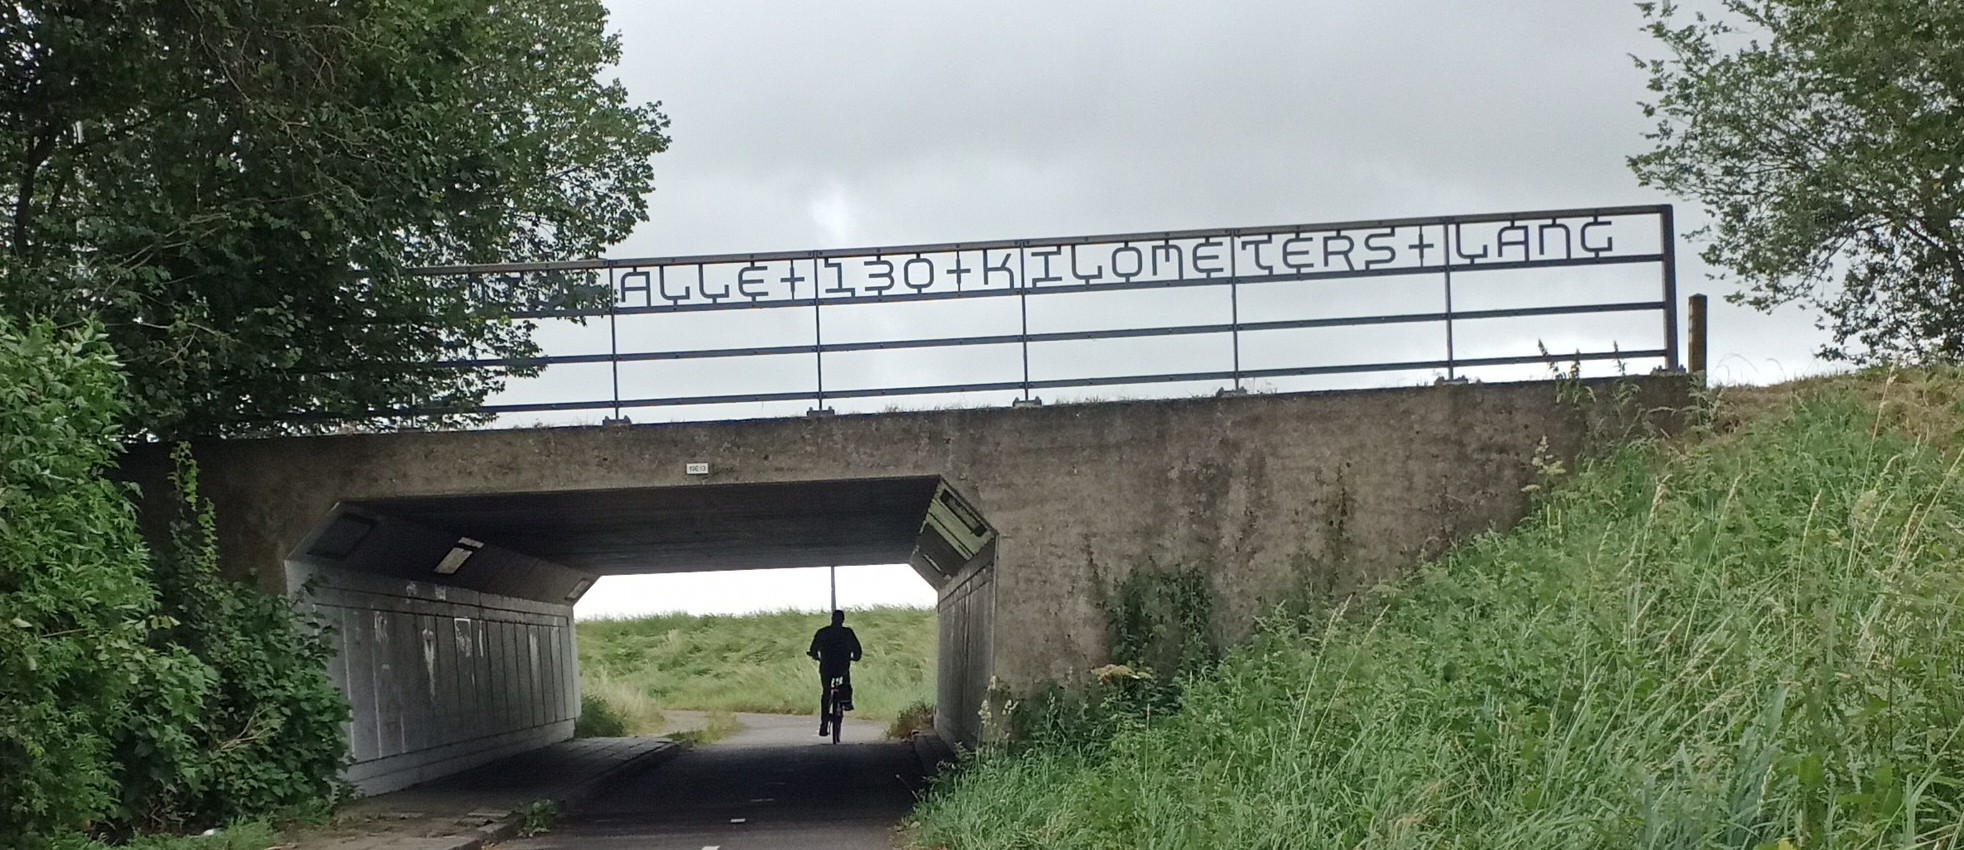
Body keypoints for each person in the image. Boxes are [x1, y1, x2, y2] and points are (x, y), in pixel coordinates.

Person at [807, 609, 862, 735]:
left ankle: (824, 724)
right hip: (842, 666)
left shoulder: (823, 632)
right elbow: (857, 649)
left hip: (826, 666)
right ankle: (847, 702)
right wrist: (855, 657)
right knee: (846, 680)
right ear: (843, 620)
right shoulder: (848, 633)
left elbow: (813, 649)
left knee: (826, 692)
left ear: (832, 619)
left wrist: (815, 655)